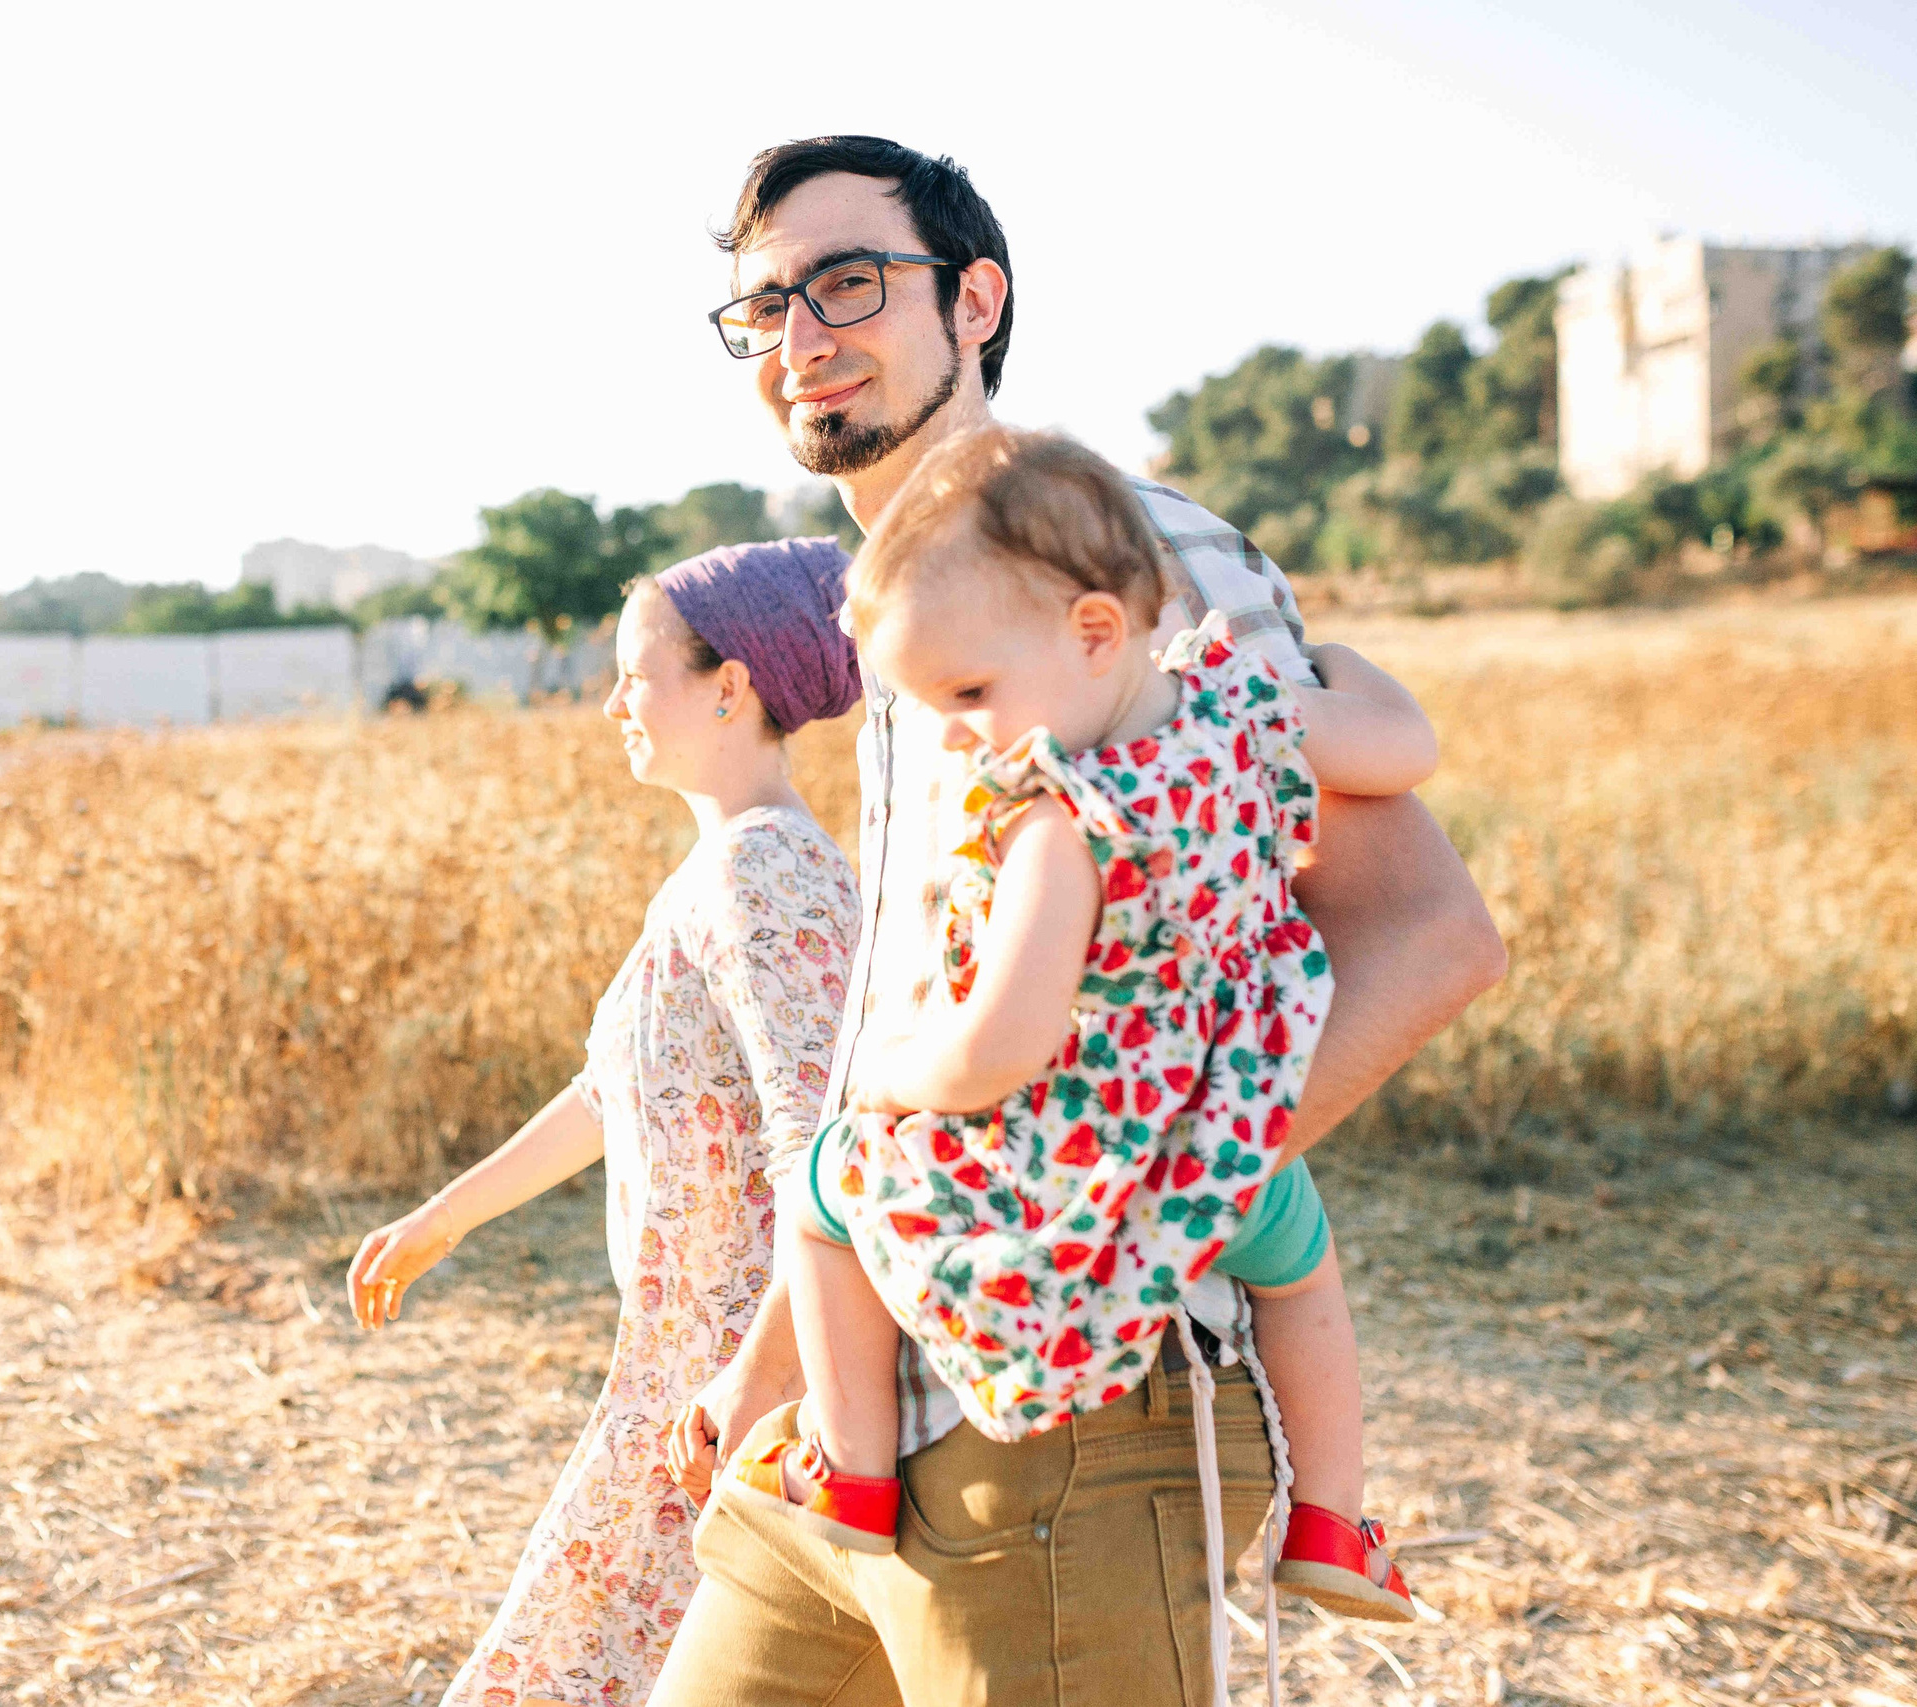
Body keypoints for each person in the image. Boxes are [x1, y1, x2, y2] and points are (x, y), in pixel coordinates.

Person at [653, 137, 1504, 1707]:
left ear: (976, 298)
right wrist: (777, 1353)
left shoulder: (1111, 557)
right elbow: (913, 1029)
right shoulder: (917, 615)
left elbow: (1431, 934)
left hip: (1064, 1425)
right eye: (764, 306)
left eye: (850, 280)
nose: (802, 335)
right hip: (854, 1431)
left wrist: (1100, 1223)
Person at [746, 427, 1427, 1628]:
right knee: (1305, 1278)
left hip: (1070, 1157)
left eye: (966, 695)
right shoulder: (1245, 710)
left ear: (1096, 632)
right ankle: (1333, 1517)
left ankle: (850, 1479)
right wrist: (1352, 669)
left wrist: (898, 1076)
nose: (956, 735)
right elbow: (1402, 748)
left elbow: (1005, 1044)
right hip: (1231, 1126)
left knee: (821, 1193)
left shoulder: (1064, 818)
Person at [346, 538, 865, 1707]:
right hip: (688, 1374)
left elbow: (822, 1147)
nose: (611, 703)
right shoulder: (725, 868)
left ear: (728, 687)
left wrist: (761, 1374)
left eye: (636, 675)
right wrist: (441, 1221)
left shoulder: (764, 873)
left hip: (735, 1392)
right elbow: (605, 1093)